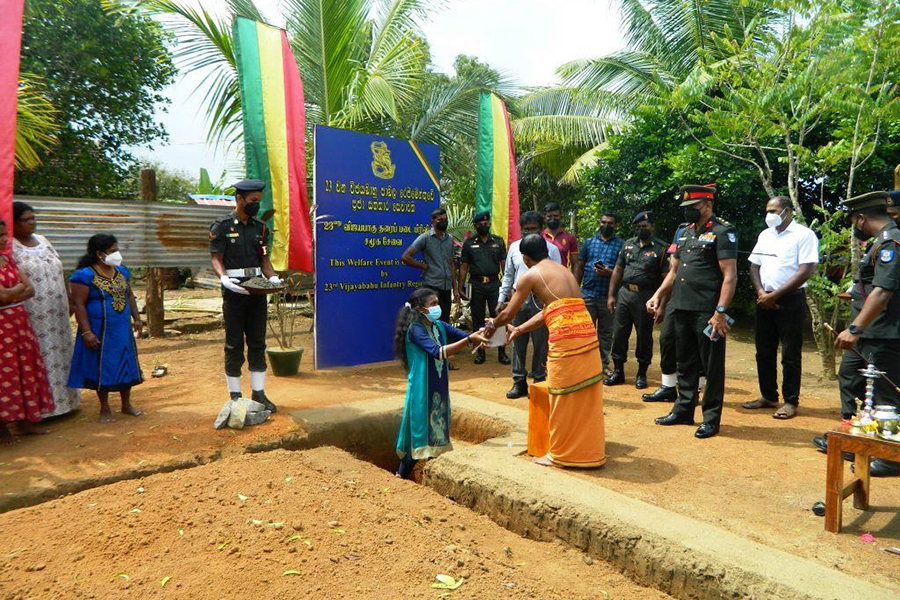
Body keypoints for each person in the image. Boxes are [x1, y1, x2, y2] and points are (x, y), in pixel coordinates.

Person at [487, 234, 605, 468]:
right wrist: (519, 330)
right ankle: (588, 450)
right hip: (588, 334)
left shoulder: (530, 275)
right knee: (584, 394)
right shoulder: (564, 271)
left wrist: (492, 325)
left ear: (525, 258)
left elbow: (507, 314)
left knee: (560, 393)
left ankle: (561, 454)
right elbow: (550, 311)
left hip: (567, 338)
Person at [813, 191, 900, 477]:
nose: (854, 225)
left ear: (861, 218)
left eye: (854, 220)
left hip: (884, 333)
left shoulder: (891, 242)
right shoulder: (878, 242)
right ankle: (855, 438)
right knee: (851, 379)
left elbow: (883, 291)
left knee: (887, 395)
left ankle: (890, 457)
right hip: (869, 333)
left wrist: (854, 328)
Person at [646, 184, 737, 439]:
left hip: (707, 310)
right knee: (684, 360)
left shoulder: (722, 231)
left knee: (711, 366)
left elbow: (729, 276)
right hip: (680, 306)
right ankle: (684, 410)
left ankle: (710, 419)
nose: (687, 212)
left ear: (706, 205)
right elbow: (673, 272)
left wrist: (720, 311)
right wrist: (657, 295)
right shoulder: (683, 232)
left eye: (692, 207)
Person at [393, 287, 488, 478]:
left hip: (438, 387)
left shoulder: (438, 326)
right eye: (433, 304)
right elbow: (438, 351)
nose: (438, 307)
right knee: (419, 439)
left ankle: (431, 481)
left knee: (436, 437)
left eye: (437, 302)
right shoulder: (415, 330)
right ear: (421, 309)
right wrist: (470, 339)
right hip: (422, 390)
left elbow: (465, 336)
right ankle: (400, 477)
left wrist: (489, 329)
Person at [742, 197, 819, 420]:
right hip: (764, 299)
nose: (769, 215)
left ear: (787, 211)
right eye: (767, 210)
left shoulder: (804, 235)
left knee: (790, 354)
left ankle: (790, 401)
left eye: (773, 210)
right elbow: (754, 266)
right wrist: (761, 293)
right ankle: (768, 395)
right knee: (763, 351)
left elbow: (805, 270)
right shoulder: (765, 235)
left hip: (790, 301)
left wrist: (776, 295)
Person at [210, 180, 283, 412]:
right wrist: (224, 279)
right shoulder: (221, 226)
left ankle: (259, 394)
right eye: (253, 201)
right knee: (233, 344)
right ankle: (235, 397)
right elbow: (216, 258)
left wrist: (272, 278)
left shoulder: (260, 228)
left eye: (258, 202)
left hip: (257, 288)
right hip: (234, 289)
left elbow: (264, 260)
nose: (256, 205)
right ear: (239, 199)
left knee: (258, 342)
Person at [11, 202, 81, 417]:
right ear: (13, 222)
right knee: (37, 357)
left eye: (33, 218)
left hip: (58, 312)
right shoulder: (10, 246)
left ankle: (66, 403)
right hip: (32, 313)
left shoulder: (43, 240)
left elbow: (60, 270)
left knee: (61, 352)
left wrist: (70, 299)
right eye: (26, 219)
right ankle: (42, 409)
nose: (32, 222)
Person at [68, 234, 143, 423]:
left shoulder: (122, 272)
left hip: (121, 329)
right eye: (112, 251)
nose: (116, 254)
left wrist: (137, 318)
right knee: (102, 366)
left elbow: (130, 296)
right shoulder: (84, 276)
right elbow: (79, 304)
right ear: (100, 254)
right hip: (99, 329)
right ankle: (105, 408)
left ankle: (126, 404)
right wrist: (86, 332)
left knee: (126, 363)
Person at [498, 211, 562, 399]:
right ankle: (518, 382)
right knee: (516, 339)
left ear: (541, 229)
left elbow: (556, 275)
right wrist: (501, 300)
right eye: (525, 229)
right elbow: (508, 275)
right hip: (518, 298)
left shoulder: (551, 249)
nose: (528, 232)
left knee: (541, 342)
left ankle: (539, 382)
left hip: (539, 299)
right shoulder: (514, 248)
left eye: (532, 229)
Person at [0, 219, 54, 441]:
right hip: (3, 328)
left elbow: (29, 289)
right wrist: (15, 291)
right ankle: (3, 426)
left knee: (25, 369)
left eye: (4, 234)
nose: (4, 239)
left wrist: (13, 292)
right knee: (6, 373)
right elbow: (3, 296)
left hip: (19, 323)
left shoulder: (7, 259)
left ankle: (25, 422)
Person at [604, 211, 668, 389]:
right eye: (638, 227)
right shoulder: (628, 245)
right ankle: (618, 371)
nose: (641, 230)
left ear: (652, 227)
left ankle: (642, 373)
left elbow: (666, 279)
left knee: (644, 335)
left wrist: (662, 305)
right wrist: (611, 295)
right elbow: (617, 270)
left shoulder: (661, 249)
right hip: (624, 294)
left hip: (646, 297)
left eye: (644, 227)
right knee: (619, 334)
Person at [642, 222, 692, 403]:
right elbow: (672, 268)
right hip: (676, 295)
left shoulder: (716, 231)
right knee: (667, 339)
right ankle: (668, 387)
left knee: (696, 344)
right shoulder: (682, 231)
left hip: (700, 297)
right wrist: (659, 299)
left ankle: (698, 387)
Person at [575, 213, 624, 376]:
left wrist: (609, 273)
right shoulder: (589, 243)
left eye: (610, 223)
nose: (606, 225)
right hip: (587, 294)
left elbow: (624, 272)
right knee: (586, 333)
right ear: (599, 223)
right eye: (603, 222)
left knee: (606, 333)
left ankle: (603, 365)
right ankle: (585, 366)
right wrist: (575, 290)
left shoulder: (621, 245)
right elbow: (580, 266)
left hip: (608, 297)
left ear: (615, 226)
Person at [459, 211, 509, 365]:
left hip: (495, 284)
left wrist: (507, 287)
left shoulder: (498, 241)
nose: (484, 226)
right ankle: (480, 352)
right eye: (480, 224)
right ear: (475, 226)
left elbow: (505, 266)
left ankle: (502, 352)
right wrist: (460, 286)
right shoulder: (469, 243)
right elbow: (464, 267)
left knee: (498, 317)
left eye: (486, 223)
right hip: (476, 284)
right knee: (477, 318)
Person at [402, 207, 459, 324]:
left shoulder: (449, 239)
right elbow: (406, 257)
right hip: (431, 286)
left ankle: (443, 343)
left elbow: (451, 264)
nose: (443, 222)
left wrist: (456, 289)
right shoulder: (425, 237)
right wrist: (423, 266)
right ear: (433, 221)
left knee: (444, 322)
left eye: (445, 219)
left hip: (446, 288)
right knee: (430, 321)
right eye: (440, 219)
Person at [542, 202, 578, 270]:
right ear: (544, 218)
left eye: (555, 216)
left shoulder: (570, 238)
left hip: (564, 278)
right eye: (549, 216)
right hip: (544, 278)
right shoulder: (539, 238)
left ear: (561, 217)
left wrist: (574, 280)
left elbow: (575, 264)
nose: (553, 218)